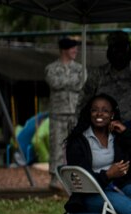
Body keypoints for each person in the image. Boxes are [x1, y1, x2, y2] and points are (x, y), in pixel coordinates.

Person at [45, 36, 84, 190]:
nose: (76, 51)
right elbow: (54, 83)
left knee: (76, 147)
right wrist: (72, 82)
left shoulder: (80, 68)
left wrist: (66, 83)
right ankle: (55, 178)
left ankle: (76, 178)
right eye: (73, 48)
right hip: (58, 113)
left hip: (75, 113)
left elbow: (82, 84)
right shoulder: (51, 68)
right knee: (56, 145)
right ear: (64, 50)